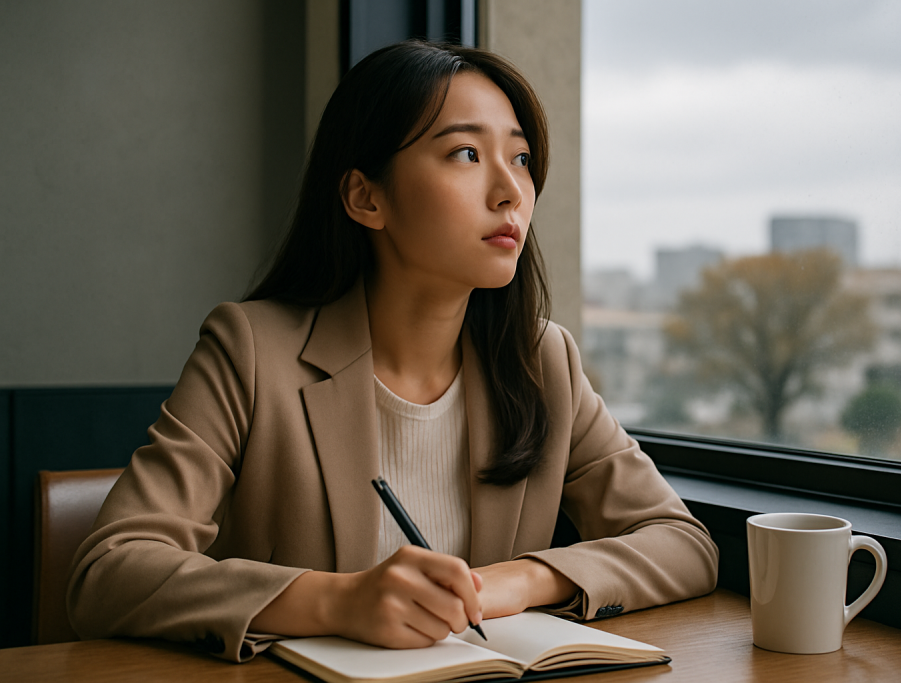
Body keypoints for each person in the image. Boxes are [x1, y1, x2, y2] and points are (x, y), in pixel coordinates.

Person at [67, 40, 718, 663]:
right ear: (365, 197)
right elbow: (110, 570)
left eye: (520, 158)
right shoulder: (250, 349)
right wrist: (338, 599)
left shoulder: (544, 361)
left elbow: (683, 545)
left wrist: (511, 582)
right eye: (466, 153)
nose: (511, 191)